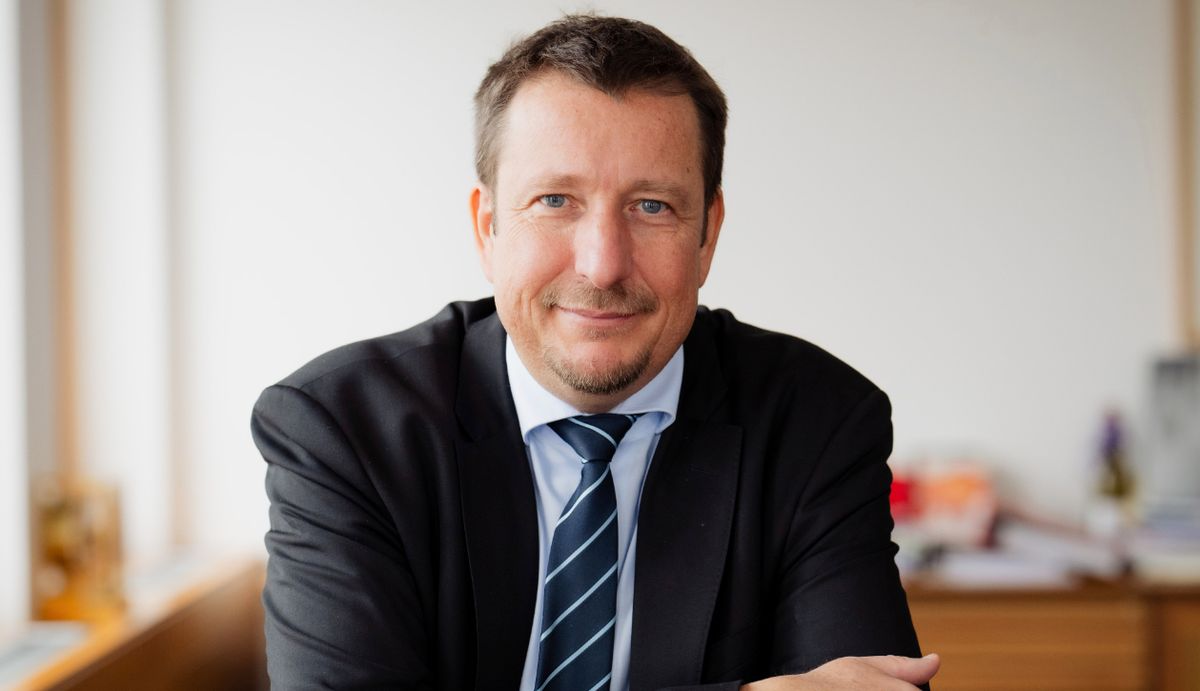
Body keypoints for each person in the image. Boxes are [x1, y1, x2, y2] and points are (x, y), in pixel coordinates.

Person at [251, 14, 938, 691]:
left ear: (708, 234)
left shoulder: (818, 423)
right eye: (555, 200)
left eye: (652, 207)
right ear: (487, 229)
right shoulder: (343, 430)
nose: (603, 265)